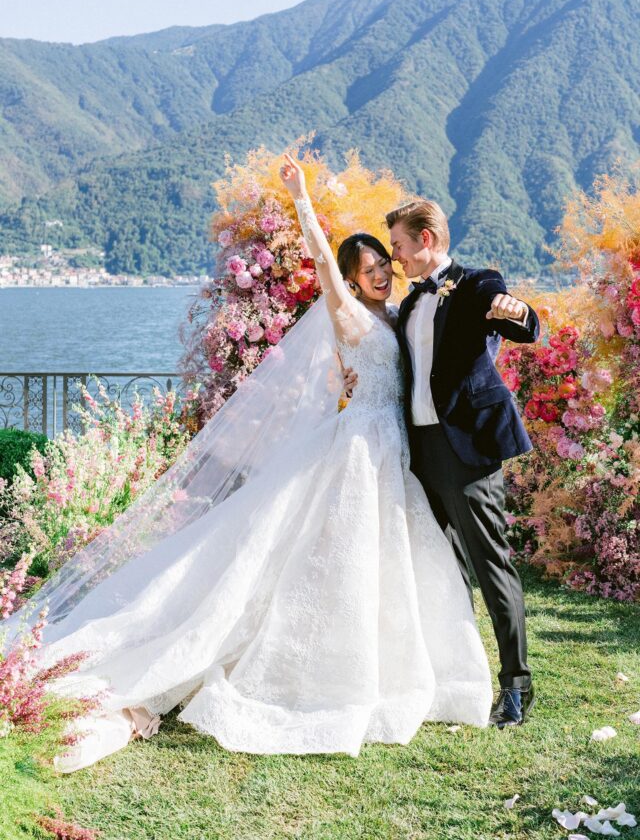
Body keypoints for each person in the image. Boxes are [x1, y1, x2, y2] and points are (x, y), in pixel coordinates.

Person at [2, 156, 492, 773]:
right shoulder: (344, 312)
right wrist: (302, 198)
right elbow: (318, 255)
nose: (382, 275)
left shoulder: (392, 316)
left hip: (390, 448)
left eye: (384, 266)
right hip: (358, 450)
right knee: (329, 558)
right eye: (370, 269)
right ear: (348, 277)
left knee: (381, 559)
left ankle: (388, 664)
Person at [342, 198, 539, 728]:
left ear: (426, 240)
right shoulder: (407, 307)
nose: (397, 260)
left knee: (491, 565)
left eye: (401, 248)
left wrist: (517, 312)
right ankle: (456, 679)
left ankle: (517, 686)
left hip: (468, 449)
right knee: (440, 570)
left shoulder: (477, 284)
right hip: (419, 453)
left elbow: (515, 316)